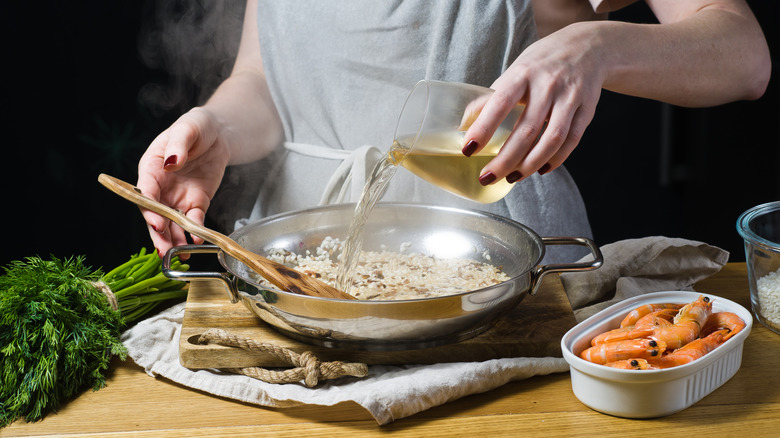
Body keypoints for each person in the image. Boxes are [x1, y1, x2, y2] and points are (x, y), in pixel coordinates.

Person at [136, 0, 770, 263]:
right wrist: (217, 125)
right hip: (300, 264)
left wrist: (596, 46)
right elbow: (268, 79)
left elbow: (741, 53)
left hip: (496, 264)